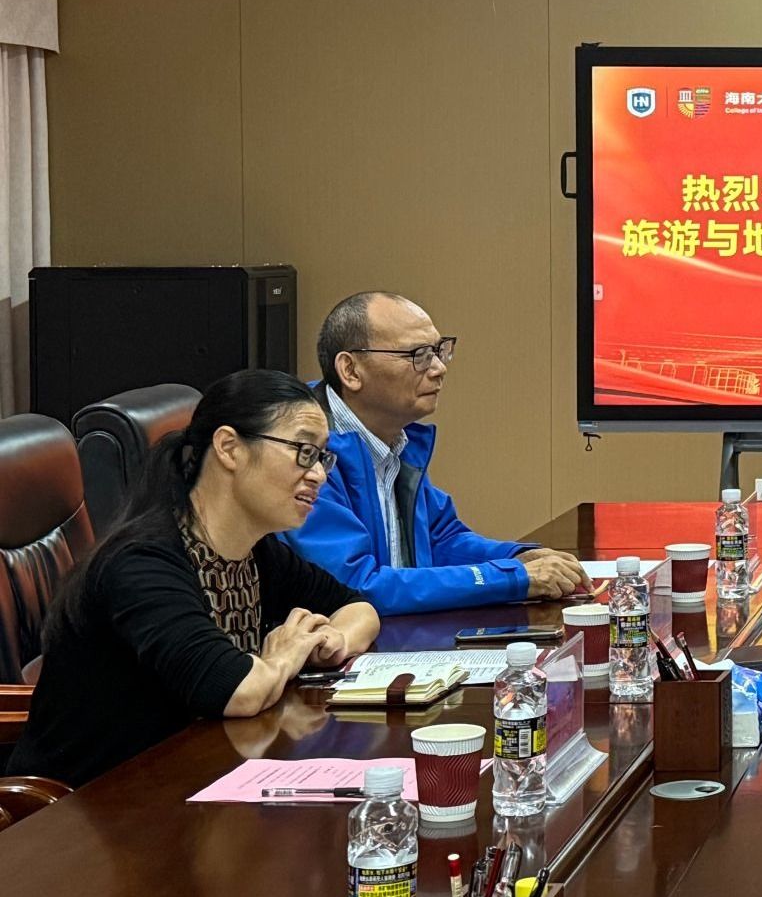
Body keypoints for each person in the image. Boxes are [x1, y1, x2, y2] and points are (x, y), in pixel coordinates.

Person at [9, 370, 380, 788]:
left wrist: (332, 641)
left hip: (189, 779)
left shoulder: (256, 552)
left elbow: (359, 608)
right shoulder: (141, 564)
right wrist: (285, 656)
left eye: (322, 457)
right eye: (304, 452)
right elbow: (235, 690)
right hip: (84, 804)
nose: (319, 475)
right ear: (229, 448)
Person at [284, 292, 587, 614]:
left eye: (439, 351)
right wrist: (513, 577)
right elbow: (355, 586)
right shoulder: (307, 455)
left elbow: (442, 539)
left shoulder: (397, 438)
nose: (439, 368)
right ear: (351, 371)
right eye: (419, 355)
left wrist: (517, 558)